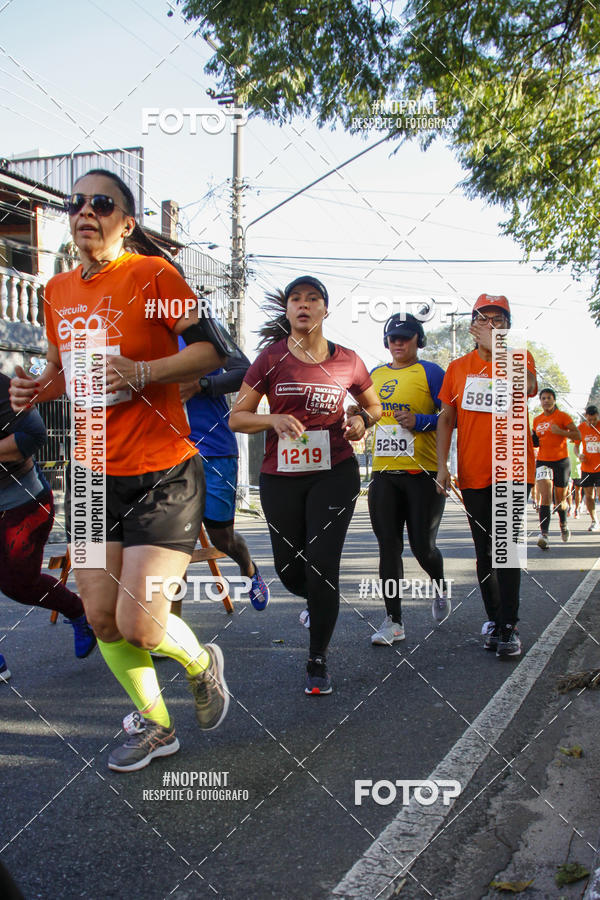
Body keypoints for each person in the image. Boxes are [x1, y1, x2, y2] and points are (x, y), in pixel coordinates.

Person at [10, 168, 229, 771]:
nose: (85, 211)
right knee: (103, 617)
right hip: (86, 476)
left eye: (100, 203)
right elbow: (64, 375)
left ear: (125, 222)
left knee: (141, 624)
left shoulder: (151, 275)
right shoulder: (56, 290)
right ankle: (157, 727)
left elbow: (214, 351)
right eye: (75, 202)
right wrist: (35, 388)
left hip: (160, 469)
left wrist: (143, 372)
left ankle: (199, 662)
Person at [229, 277, 382, 694]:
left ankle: (317, 661)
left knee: (322, 566)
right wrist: (271, 420)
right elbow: (237, 417)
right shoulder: (270, 359)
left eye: (313, 299)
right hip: (281, 476)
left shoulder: (347, 360)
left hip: (334, 471)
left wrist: (360, 421)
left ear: (325, 310)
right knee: (290, 570)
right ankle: (316, 600)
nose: (303, 305)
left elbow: (374, 405)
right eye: (295, 299)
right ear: (287, 310)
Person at [436, 293, 537, 658]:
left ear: (507, 327)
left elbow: (527, 387)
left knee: (506, 550)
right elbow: (446, 418)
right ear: (471, 325)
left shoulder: (519, 357)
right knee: (485, 553)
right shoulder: (457, 368)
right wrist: (441, 465)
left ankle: (509, 627)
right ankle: (495, 620)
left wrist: (498, 349)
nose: (492, 324)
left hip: (512, 467)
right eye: (485, 318)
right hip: (473, 472)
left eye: (499, 320)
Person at [0, 371, 96, 682]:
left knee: (17, 583)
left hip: (20, 501)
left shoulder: (4, 386)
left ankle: (79, 612)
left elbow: (33, 436)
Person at [367, 313, 448, 646]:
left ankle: (439, 583)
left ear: (419, 340)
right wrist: (356, 418)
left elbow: (449, 418)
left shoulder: (431, 372)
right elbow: (365, 413)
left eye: (405, 337)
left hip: (423, 473)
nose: (398, 343)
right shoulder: (375, 374)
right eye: (392, 338)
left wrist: (421, 420)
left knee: (422, 547)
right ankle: (394, 621)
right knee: (389, 547)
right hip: (384, 474)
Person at [179, 341, 270, 609]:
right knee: (175, 545)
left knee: (223, 539)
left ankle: (249, 569)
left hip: (214, 450)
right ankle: (169, 628)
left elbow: (246, 371)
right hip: (167, 454)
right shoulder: (142, 334)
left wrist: (202, 385)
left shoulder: (202, 329)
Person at [532, 388, 580, 548]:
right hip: (543, 461)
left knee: (560, 500)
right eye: (543, 398)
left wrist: (561, 432)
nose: (546, 401)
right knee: (545, 497)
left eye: (549, 398)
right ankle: (544, 534)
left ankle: (563, 524)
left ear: (554, 400)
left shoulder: (563, 416)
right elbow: (535, 440)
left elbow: (578, 435)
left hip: (561, 460)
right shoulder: (537, 420)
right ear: (540, 401)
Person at [577, 404, 600, 532]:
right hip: (586, 467)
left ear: (598, 417)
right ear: (586, 417)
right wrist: (578, 454)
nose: (591, 422)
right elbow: (576, 446)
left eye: (594, 420)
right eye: (589, 420)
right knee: (589, 496)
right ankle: (594, 521)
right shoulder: (580, 428)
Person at [567, 438, 582, 518]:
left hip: (578, 471)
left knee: (578, 491)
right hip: (568, 470)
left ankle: (577, 509)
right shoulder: (566, 443)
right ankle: (570, 507)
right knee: (568, 490)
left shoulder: (580, 444)